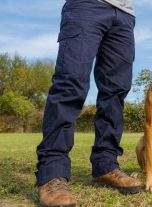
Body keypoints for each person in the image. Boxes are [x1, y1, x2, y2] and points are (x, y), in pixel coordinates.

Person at [36, 0, 141, 206]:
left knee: (115, 92)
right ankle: (52, 173)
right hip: (86, 5)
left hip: (125, 14)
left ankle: (105, 164)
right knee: (70, 83)